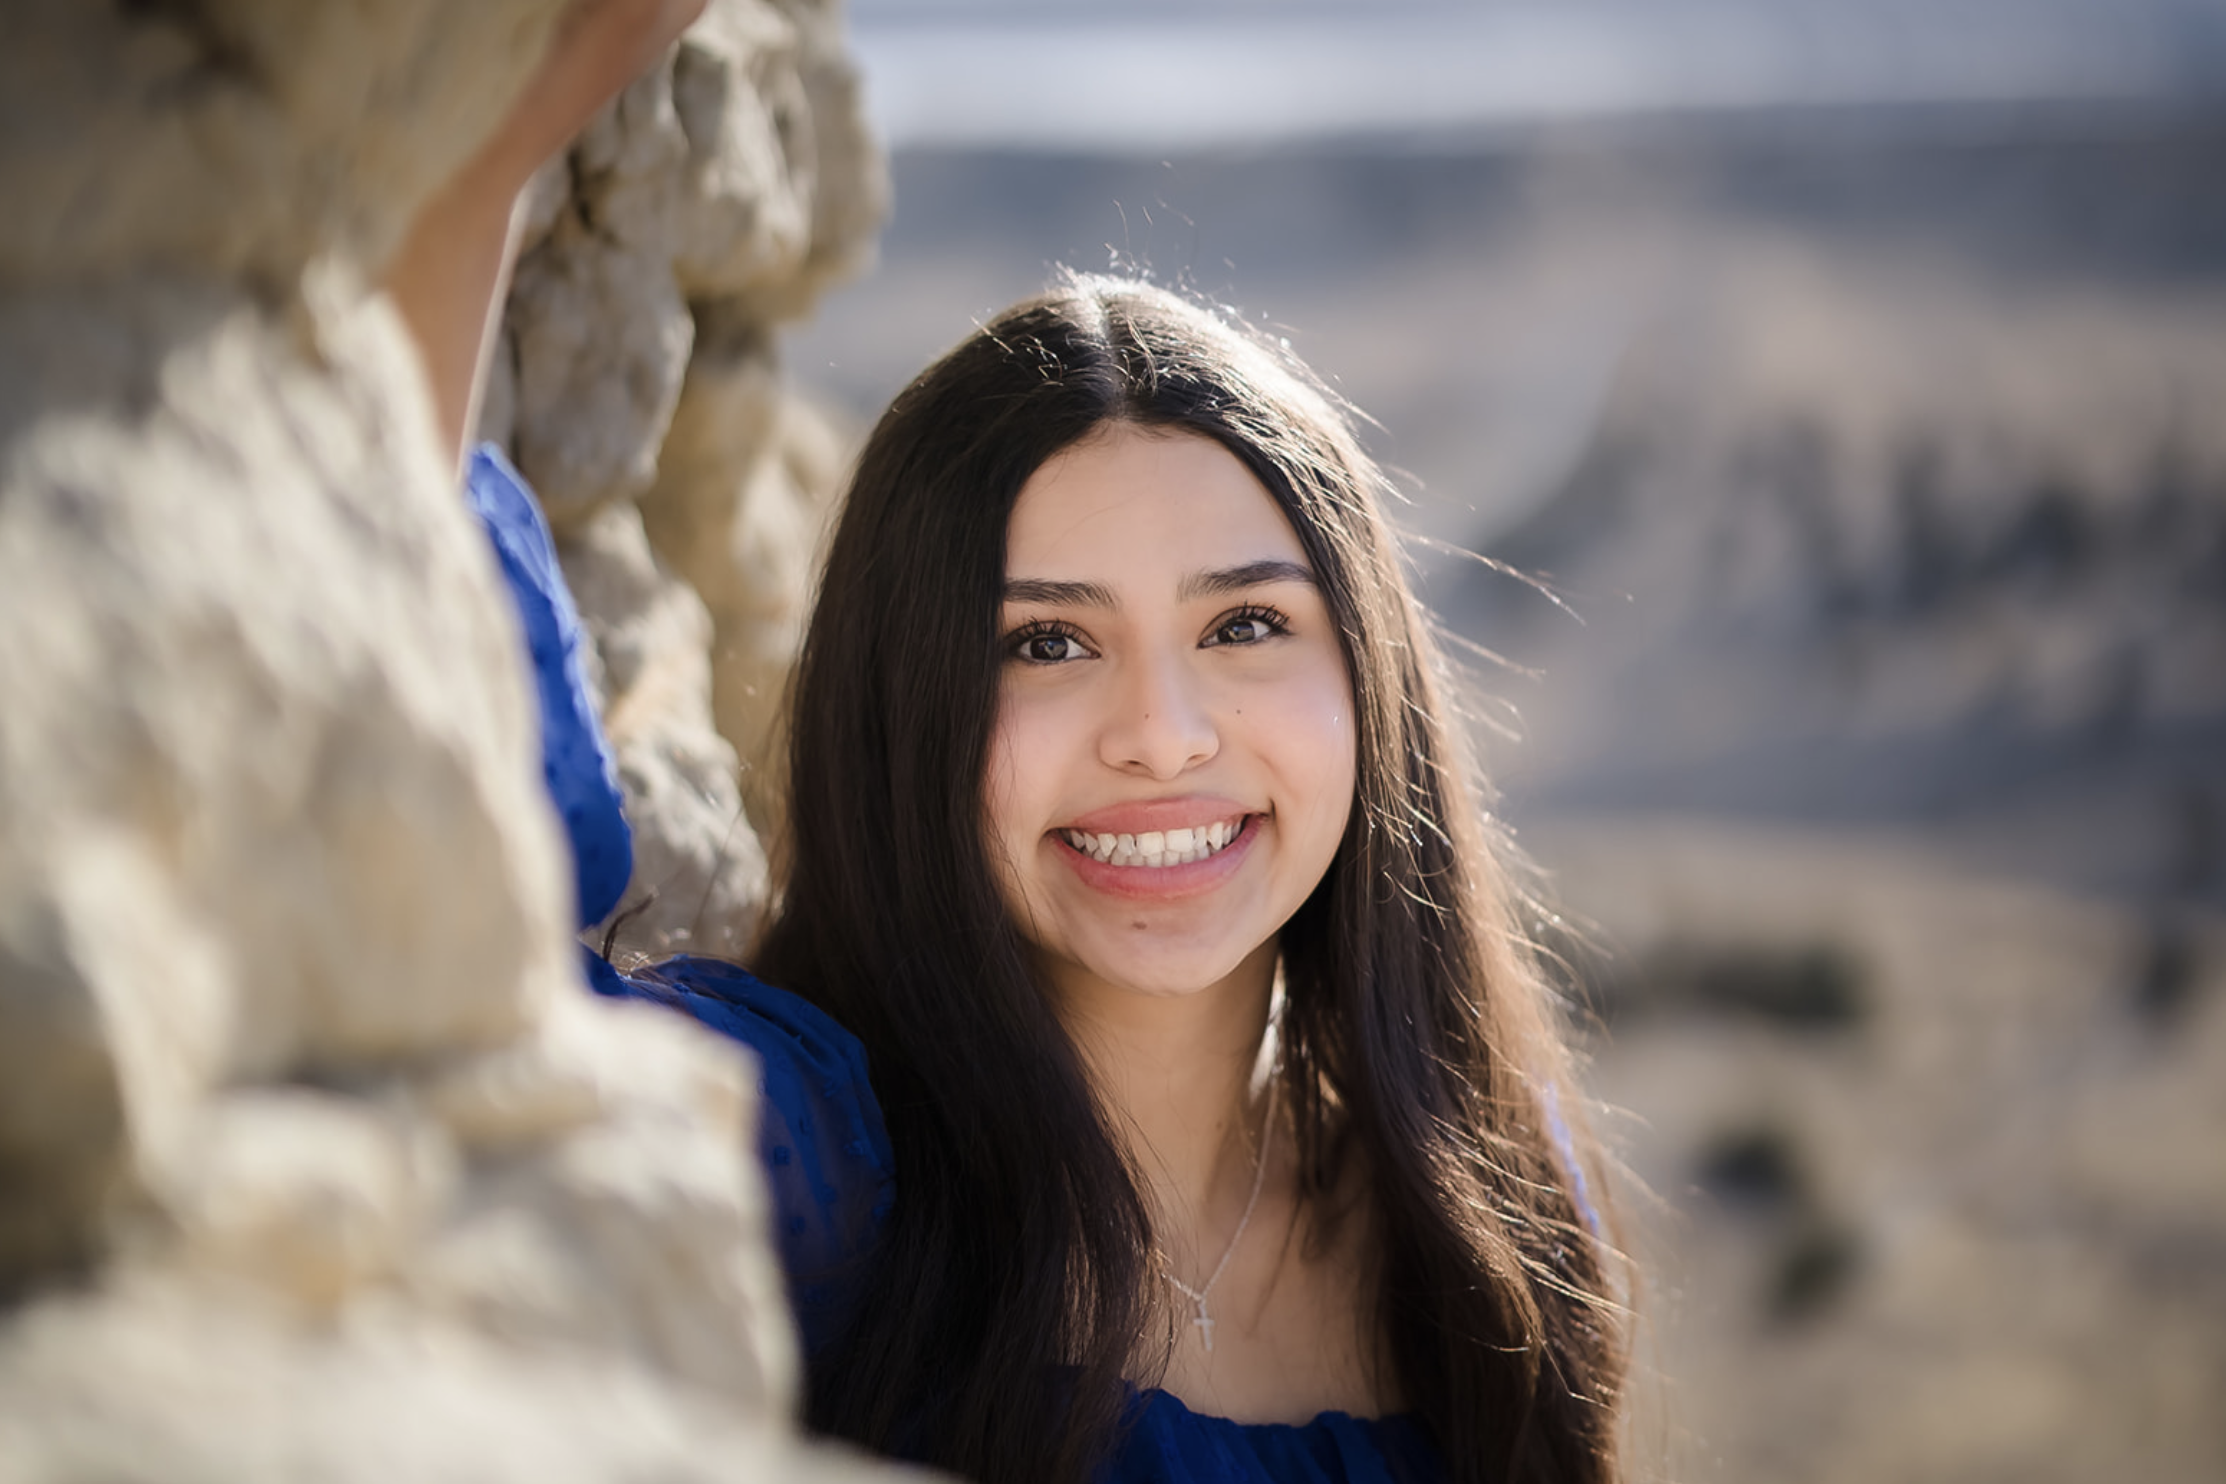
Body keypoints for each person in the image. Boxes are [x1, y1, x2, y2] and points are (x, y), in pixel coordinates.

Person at [391, 10, 1629, 1483]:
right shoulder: (807, 1173)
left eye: (1243, 628)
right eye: (1045, 643)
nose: (1162, 739)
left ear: (1369, 677)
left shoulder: (1486, 1207)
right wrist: (473, 160)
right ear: (907, 710)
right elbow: (421, 937)